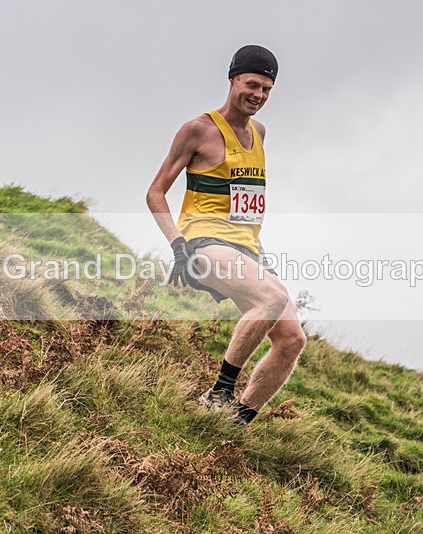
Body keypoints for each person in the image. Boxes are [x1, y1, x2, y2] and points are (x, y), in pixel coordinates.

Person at [146, 45, 305, 425]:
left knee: (291, 341)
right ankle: (220, 390)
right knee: (271, 298)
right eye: (252, 84)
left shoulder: (259, 133)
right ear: (233, 79)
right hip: (204, 244)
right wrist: (177, 244)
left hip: (246, 250)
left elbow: (245, 205)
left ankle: (235, 424)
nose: (259, 95)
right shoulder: (198, 130)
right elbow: (155, 193)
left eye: (267, 89)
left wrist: (259, 251)